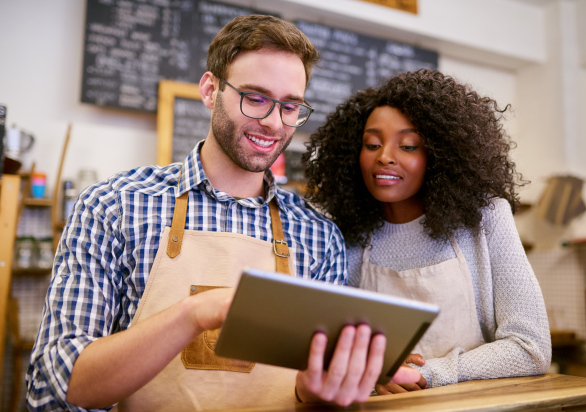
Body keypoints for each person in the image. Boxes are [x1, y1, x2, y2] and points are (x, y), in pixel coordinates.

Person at [26, 15, 420, 411]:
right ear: (210, 90)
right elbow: (54, 388)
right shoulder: (113, 207)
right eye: (255, 98)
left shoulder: (318, 236)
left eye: (290, 106)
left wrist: (319, 391)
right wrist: (196, 314)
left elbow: (313, 394)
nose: (272, 122)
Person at [304, 69, 552, 394]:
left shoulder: (486, 218)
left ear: (439, 155)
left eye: (408, 146)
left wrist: (429, 374)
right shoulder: (346, 235)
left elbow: (531, 348)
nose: (385, 157)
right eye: (372, 144)